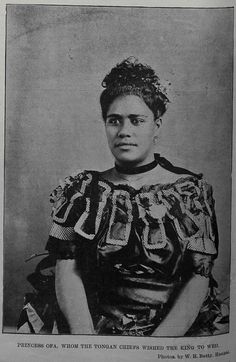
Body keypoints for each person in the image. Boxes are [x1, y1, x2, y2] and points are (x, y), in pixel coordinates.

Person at [18, 57, 222, 336]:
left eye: (137, 121)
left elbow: (198, 278)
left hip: (172, 330)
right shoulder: (83, 191)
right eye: (114, 121)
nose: (124, 131)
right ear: (105, 124)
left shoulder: (189, 192)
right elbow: (67, 270)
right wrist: (87, 342)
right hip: (91, 325)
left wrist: (155, 348)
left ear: (157, 125)